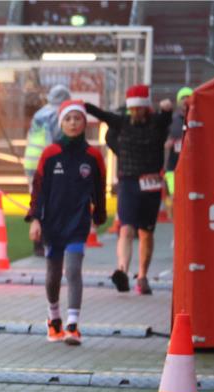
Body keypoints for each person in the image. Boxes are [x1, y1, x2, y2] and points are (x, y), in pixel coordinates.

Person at [25, 100, 107, 345]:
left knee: (73, 271)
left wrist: (99, 214)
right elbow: (38, 189)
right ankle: (54, 319)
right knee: (52, 275)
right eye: (68, 119)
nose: (73, 123)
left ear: (84, 123)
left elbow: (100, 188)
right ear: (62, 123)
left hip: (78, 223)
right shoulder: (50, 154)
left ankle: (73, 325)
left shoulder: (93, 156)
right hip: (52, 223)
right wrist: (35, 219)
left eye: (77, 118)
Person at [85, 85, 172, 295]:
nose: (135, 113)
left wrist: (167, 108)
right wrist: (85, 106)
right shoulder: (122, 123)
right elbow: (103, 115)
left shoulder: (157, 124)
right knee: (126, 228)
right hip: (128, 183)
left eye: (139, 109)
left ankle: (142, 276)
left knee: (146, 233)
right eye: (132, 109)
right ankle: (122, 270)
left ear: (146, 108)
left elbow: (167, 116)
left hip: (151, 184)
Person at [24, 84, 72, 257]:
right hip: (47, 161)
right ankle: (46, 241)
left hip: (31, 160)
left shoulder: (40, 113)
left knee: (37, 199)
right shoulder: (57, 114)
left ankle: (38, 243)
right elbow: (57, 140)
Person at [164, 86, 193, 219]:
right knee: (175, 195)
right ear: (178, 101)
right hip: (173, 166)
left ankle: (188, 219)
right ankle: (176, 220)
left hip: (193, 166)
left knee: (191, 196)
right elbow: (162, 140)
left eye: (189, 97)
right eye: (183, 98)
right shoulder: (171, 121)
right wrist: (167, 143)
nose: (186, 100)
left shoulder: (198, 118)